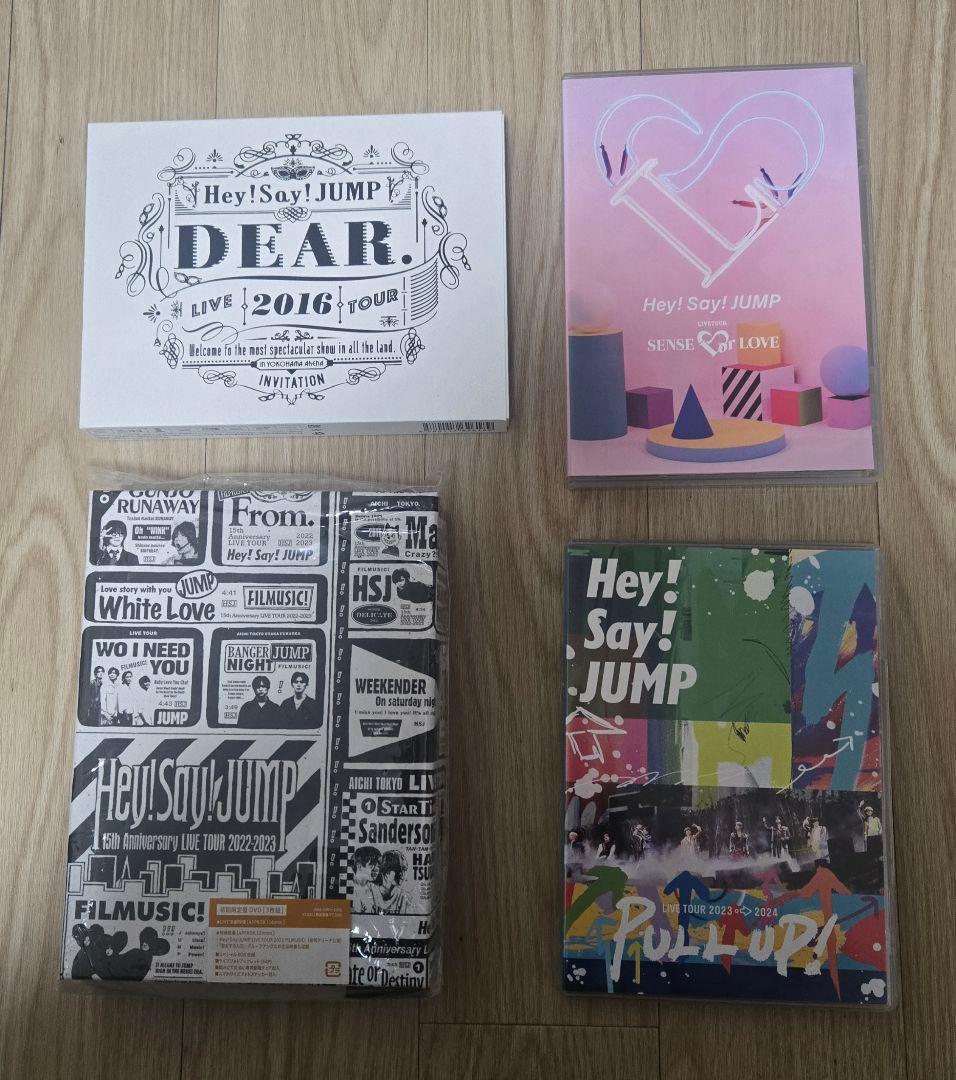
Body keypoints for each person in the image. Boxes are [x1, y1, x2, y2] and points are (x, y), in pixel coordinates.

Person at [373, 850, 410, 915]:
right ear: (386, 871)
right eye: (398, 870)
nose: (402, 874)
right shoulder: (371, 892)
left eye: (404, 870)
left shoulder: (405, 897)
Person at [351, 846, 382, 914]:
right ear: (359, 866)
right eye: (372, 866)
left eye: (378, 866)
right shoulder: (349, 888)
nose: (376, 870)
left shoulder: (375, 889)